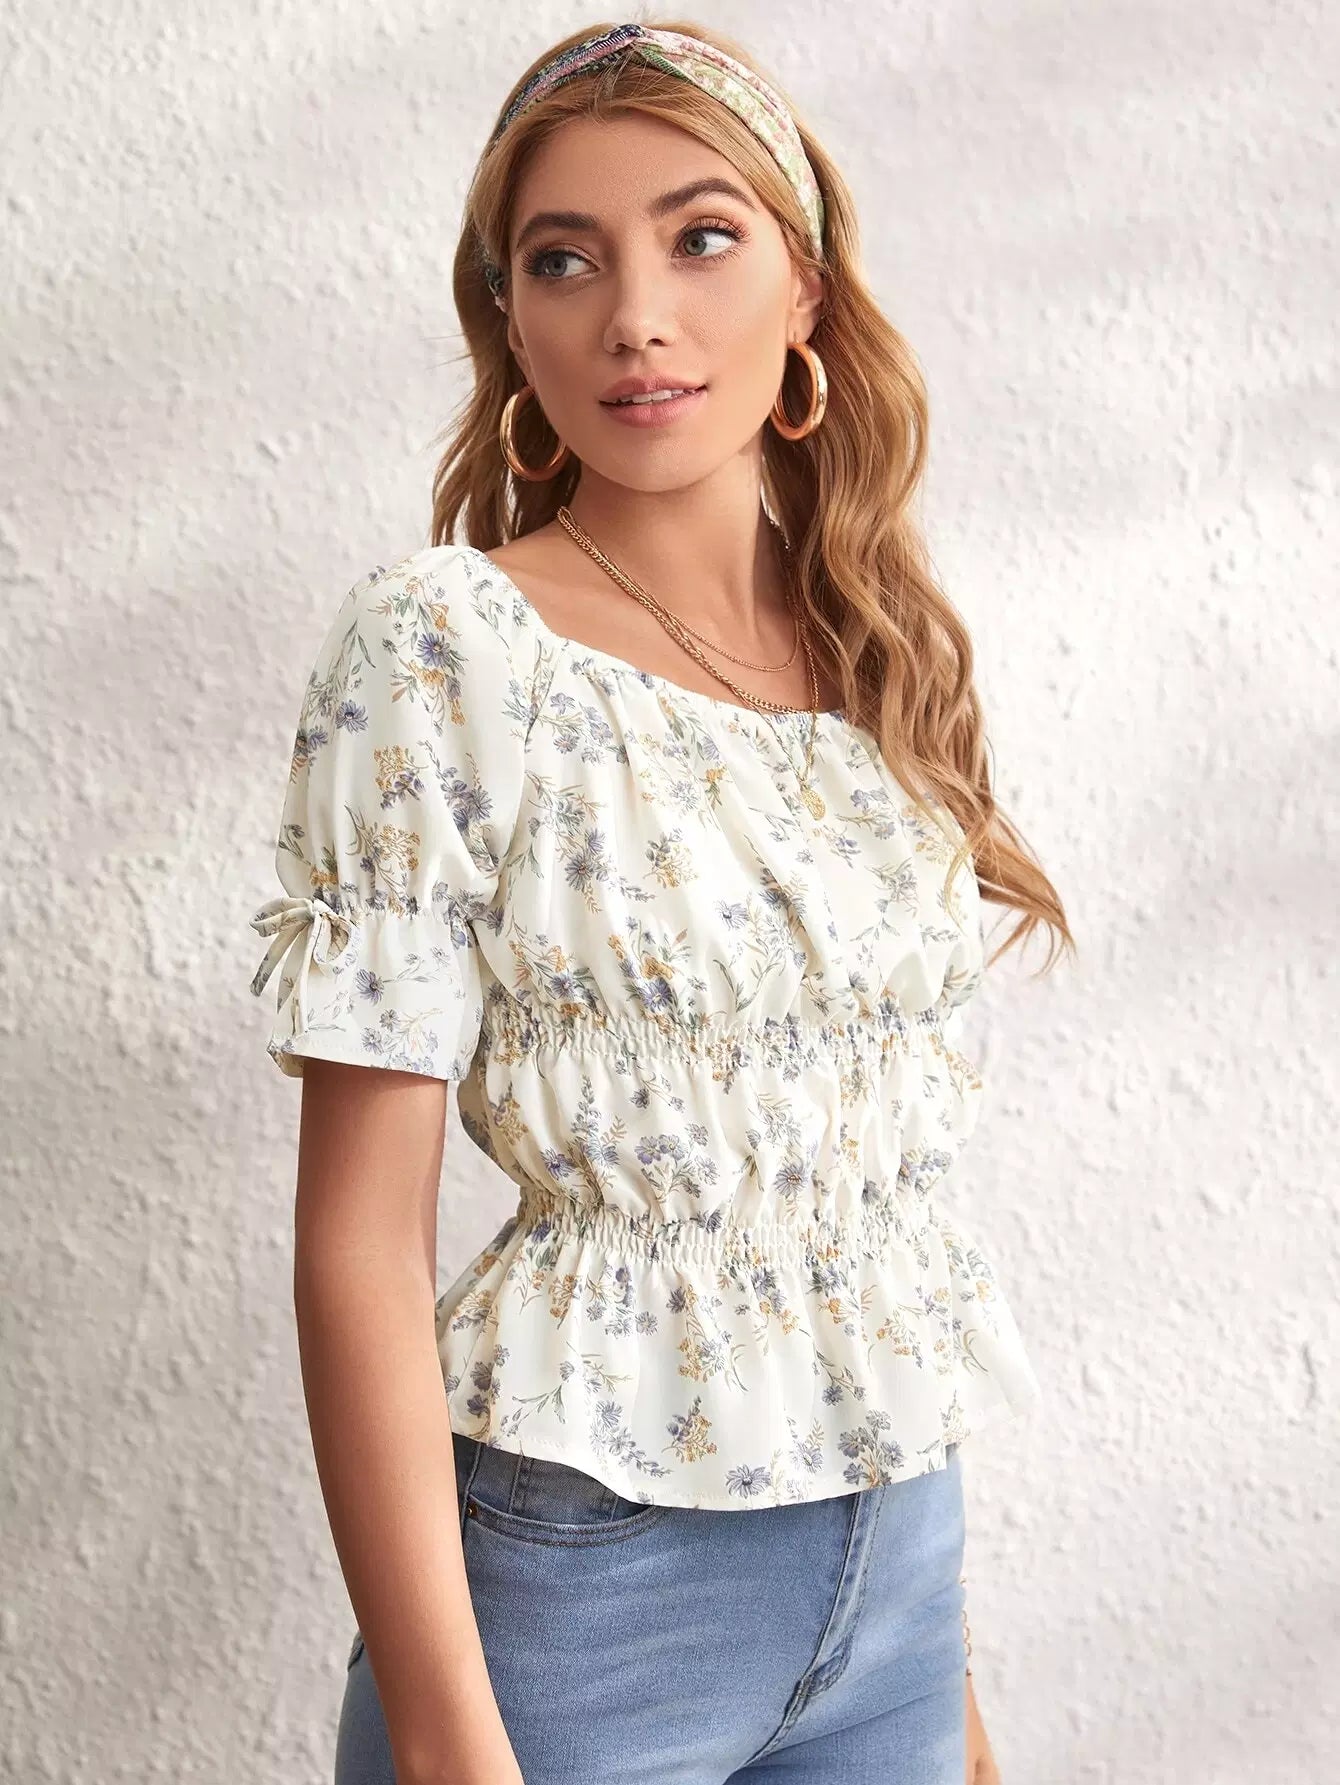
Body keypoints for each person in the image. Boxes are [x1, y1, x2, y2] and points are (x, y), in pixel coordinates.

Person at [247, 20, 1072, 1785]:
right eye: (566, 260)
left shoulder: (880, 659)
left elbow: (864, 1209)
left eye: (701, 238)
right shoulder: (447, 646)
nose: (636, 314)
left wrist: (946, 1690)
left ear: (806, 290)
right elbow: (359, 1243)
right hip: (584, 1609)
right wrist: (450, 1738)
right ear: (511, 322)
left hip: (898, 1587)